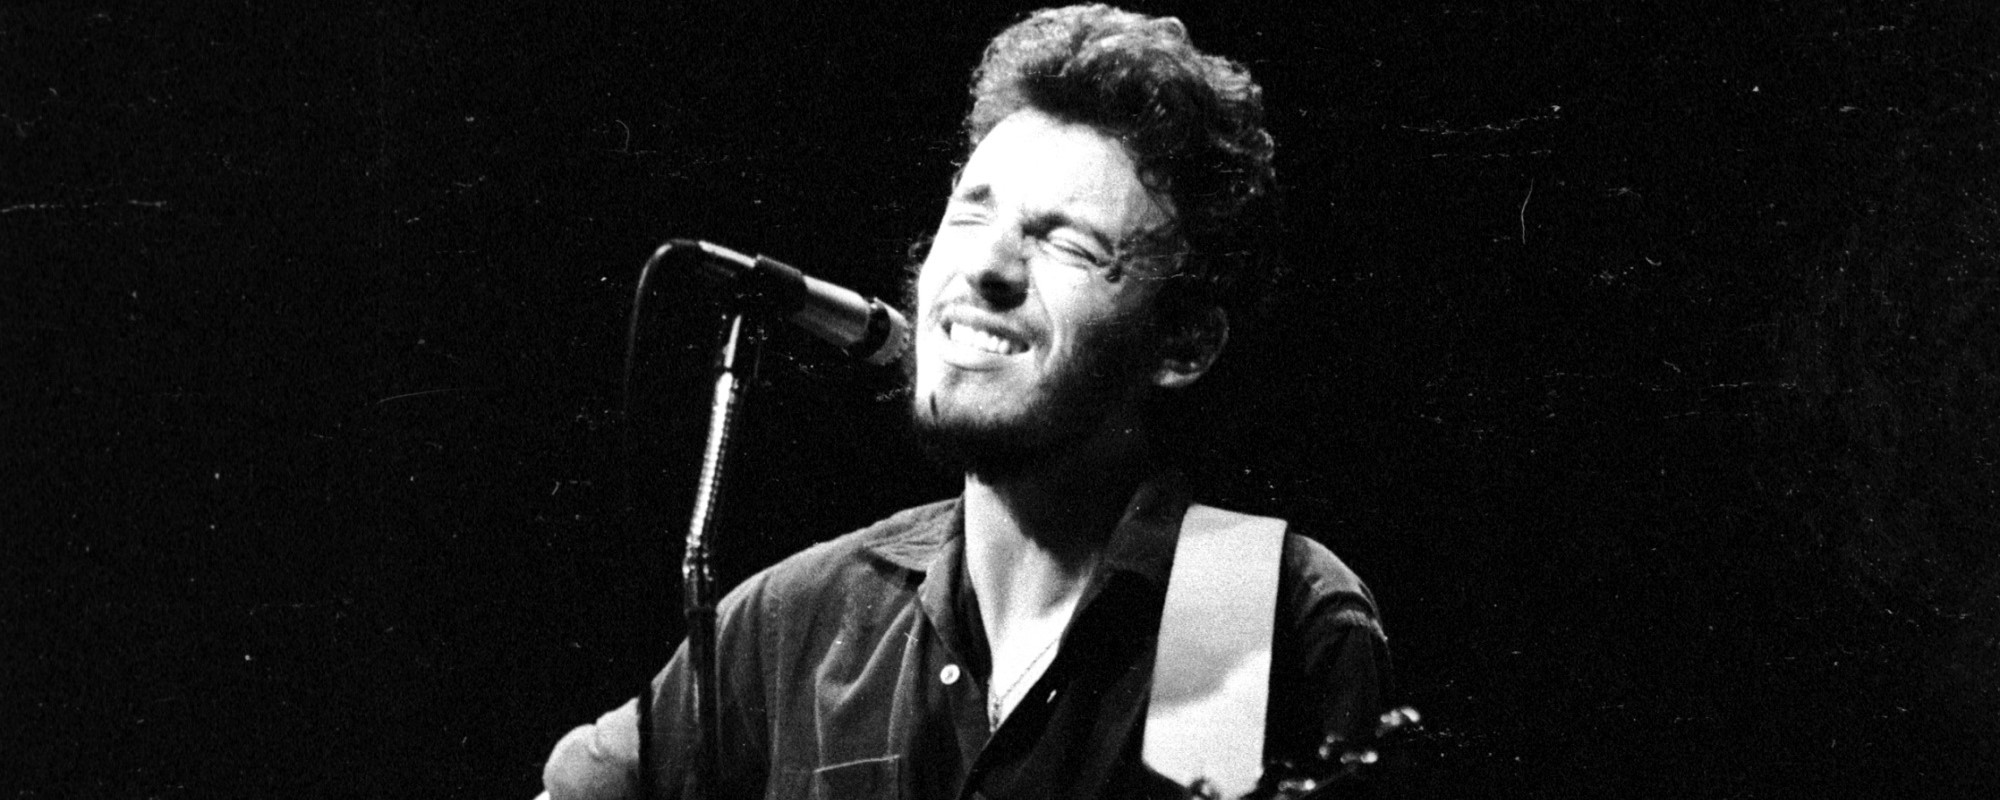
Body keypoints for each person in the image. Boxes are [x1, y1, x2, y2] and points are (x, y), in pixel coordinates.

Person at [542, 5, 1390, 798]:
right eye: (972, 215)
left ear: (1184, 344)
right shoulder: (794, 620)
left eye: (1068, 243)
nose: (987, 267)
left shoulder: (1259, 614)